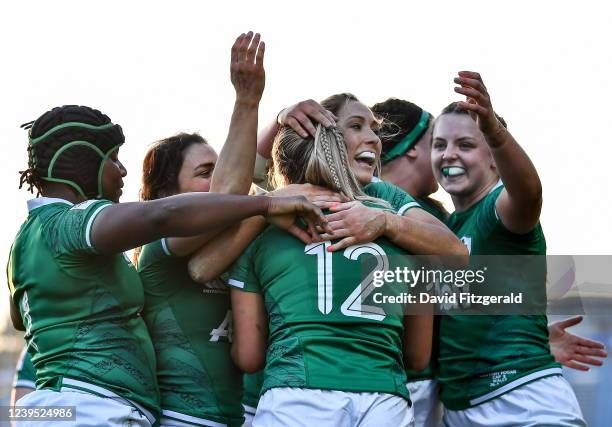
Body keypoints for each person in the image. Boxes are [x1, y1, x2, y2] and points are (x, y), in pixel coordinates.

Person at [6, 55, 327, 427]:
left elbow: (20, 318)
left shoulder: (25, 241)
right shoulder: (71, 224)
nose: (122, 170)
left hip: (83, 405)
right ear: (82, 163)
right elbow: (167, 215)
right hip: (89, 408)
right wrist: (268, 204)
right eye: (113, 159)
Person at [228, 122, 434, 427]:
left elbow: (249, 357)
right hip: (384, 398)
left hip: (296, 397)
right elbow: (417, 357)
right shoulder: (404, 234)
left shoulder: (259, 234)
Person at [431, 71, 586, 426]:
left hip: (524, 403)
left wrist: (494, 131)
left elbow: (529, 192)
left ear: (493, 159)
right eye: (439, 144)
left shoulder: (499, 209)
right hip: (463, 410)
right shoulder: (445, 230)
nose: (448, 154)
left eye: (465, 145)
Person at [134, 29, 272, 427]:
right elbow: (231, 195)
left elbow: (245, 186)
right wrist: (248, 101)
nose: (216, 184)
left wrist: (284, 118)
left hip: (243, 418)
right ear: (165, 193)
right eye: (203, 173)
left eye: (219, 169)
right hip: (182, 418)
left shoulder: (245, 236)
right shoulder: (157, 251)